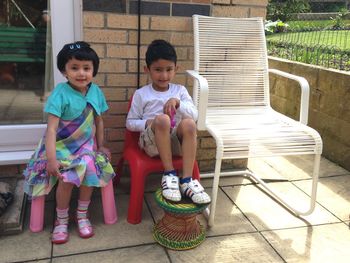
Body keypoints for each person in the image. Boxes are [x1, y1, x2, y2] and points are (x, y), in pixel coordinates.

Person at [23, 41, 115, 244]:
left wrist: (101, 146)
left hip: (85, 146)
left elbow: (99, 121)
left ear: (93, 70)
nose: (81, 73)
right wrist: (52, 159)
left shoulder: (95, 92)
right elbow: (52, 129)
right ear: (64, 71)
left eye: (86, 68)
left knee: (90, 171)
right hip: (60, 147)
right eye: (74, 68)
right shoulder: (60, 93)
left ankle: (82, 214)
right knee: (66, 178)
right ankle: (61, 219)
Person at [126, 39, 211, 205]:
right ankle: (170, 174)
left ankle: (186, 180)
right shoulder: (141, 94)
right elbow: (130, 123)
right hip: (151, 144)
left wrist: (178, 103)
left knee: (189, 124)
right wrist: (149, 122)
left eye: (168, 70)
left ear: (176, 69)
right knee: (163, 120)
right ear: (147, 70)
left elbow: (194, 115)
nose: (164, 75)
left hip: (176, 144)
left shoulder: (180, 91)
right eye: (158, 70)